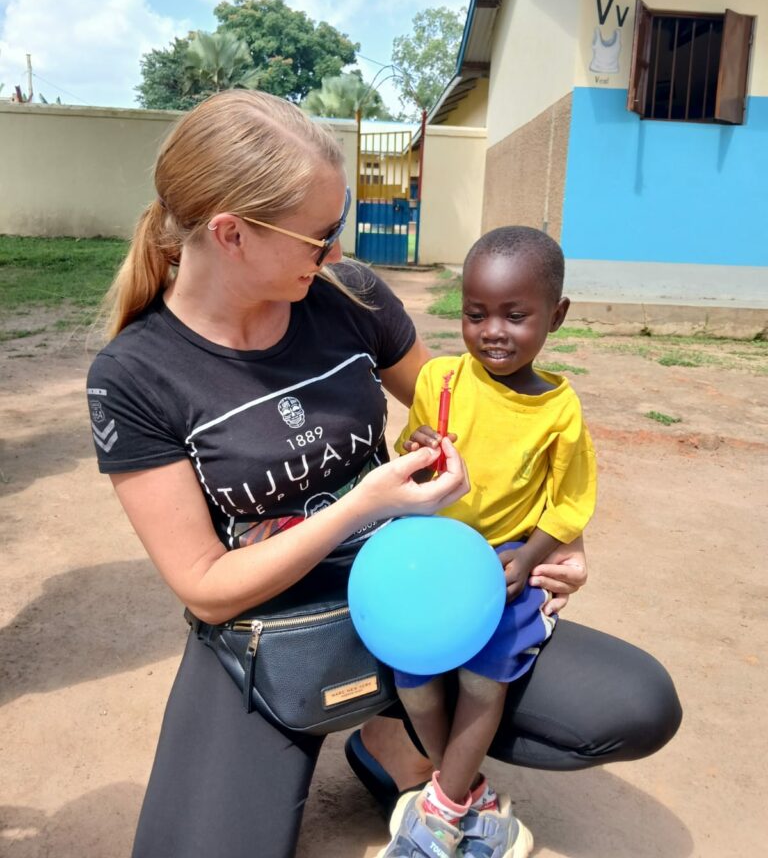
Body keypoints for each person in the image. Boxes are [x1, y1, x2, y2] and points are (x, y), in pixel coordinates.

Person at [85, 90, 681, 858]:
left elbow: (466, 421)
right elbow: (204, 582)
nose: (336, 253)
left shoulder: (347, 296)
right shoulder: (136, 374)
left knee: (635, 704)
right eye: (318, 235)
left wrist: (550, 536)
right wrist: (357, 505)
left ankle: (389, 737)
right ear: (231, 234)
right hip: (271, 634)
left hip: (416, 591)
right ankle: (382, 732)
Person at [379, 227, 596, 858]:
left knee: (482, 682)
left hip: (506, 565)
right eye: (476, 314)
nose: (493, 331)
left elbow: (572, 501)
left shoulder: (559, 409)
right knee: (414, 679)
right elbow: (407, 461)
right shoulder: (441, 383)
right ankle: (468, 793)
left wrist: (529, 558)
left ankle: (436, 818)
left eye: (516, 315)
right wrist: (416, 451)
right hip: (432, 561)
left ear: (556, 316)